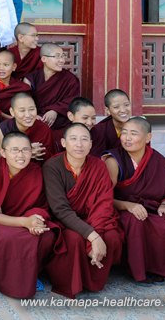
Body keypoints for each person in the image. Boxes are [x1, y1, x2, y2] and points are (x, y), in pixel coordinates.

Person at [44, 123, 123, 298]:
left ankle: (93, 282)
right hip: (65, 220)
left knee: (111, 237)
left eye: (84, 139)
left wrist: (95, 233)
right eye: (73, 139)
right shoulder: (52, 166)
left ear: (91, 144)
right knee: (72, 239)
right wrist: (92, 237)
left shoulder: (98, 166)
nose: (79, 144)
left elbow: (104, 204)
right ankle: (70, 284)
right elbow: (60, 209)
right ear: (63, 143)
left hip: (94, 217)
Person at [103, 117, 165, 283]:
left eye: (133, 133)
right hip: (120, 208)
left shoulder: (159, 161)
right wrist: (128, 206)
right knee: (136, 221)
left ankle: (158, 268)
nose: (127, 138)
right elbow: (104, 197)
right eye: (124, 133)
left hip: (152, 207)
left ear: (148, 138)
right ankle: (137, 270)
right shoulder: (114, 160)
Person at [0, 132, 58, 299]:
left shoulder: (37, 172)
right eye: (14, 150)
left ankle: (30, 275)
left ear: (32, 152)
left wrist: (35, 220)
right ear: (3, 152)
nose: (20, 155)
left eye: (25, 150)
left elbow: (42, 205)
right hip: (1, 224)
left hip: (27, 220)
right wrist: (25, 222)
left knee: (47, 236)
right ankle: (7, 280)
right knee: (7, 237)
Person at [25, 43, 81, 130]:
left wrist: (55, 110)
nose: (62, 60)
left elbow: (73, 100)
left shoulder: (70, 79)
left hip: (60, 120)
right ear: (44, 59)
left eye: (63, 56)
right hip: (34, 118)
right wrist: (34, 114)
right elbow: (24, 100)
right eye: (57, 56)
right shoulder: (31, 79)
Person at [0, 93, 58, 163]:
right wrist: (26, 152)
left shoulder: (44, 128)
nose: (28, 115)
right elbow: (3, 160)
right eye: (22, 110)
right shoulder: (2, 130)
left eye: (31, 109)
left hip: (38, 170)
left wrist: (41, 151)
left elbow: (51, 159)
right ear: (12, 112)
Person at [0, 49, 32, 118]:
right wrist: (7, 117)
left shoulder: (21, 87)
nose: (1, 68)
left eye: (6, 65)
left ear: (14, 67)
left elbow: (27, 106)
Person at [90, 89, 131, 157]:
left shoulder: (139, 127)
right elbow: (96, 158)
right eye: (116, 107)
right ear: (107, 110)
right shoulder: (99, 130)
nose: (123, 110)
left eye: (126, 105)